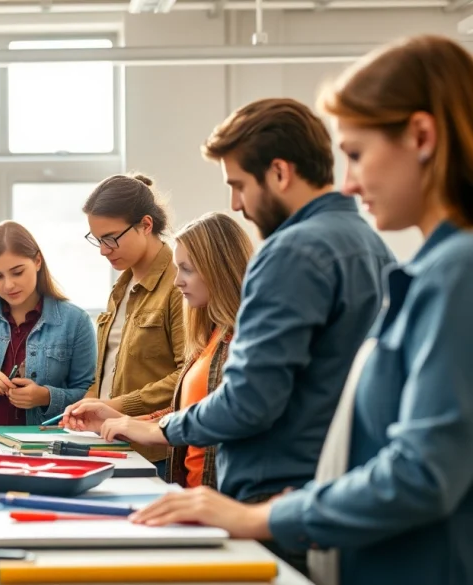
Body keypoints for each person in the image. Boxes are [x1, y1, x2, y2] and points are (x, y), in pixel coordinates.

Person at [123, 34, 473, 585]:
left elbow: (423, 470)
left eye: (356, 154)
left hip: (353, 530)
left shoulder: (450, 270)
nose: (351, 181)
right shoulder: (386, 250)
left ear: (422, 136)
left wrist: (259, 514)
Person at [63, 97, 395, 574]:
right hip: (321, 491)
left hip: (271, 494)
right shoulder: (369, 244)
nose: (237, 204)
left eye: (238, 185)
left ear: (279, 173)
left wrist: (161, 429)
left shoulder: (292, 251)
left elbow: (248, 400)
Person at [72, 173, 186, 475]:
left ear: (146, 225)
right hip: (110, 443)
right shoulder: (120, 288)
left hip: (155, 452)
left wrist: (121, 407)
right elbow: (108, 368)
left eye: (110, 238)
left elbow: (187, 374)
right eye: (97, 240)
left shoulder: (180, 283)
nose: (103, 250)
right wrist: (88, 403)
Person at [0, 221, 96, 432]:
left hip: (45, 445)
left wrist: (46, 397)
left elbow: (90, 396)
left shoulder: (75, 321)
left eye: (17, 272)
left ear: (38, 261)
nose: (8, 285)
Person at [137, 212, 253, 488]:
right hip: (191, 493)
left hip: (219, 499)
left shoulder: (243, 339)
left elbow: (226, 418)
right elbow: (189, 411)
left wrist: (139, 428)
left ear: (218, 269)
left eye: (187, 269)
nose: (177, 281)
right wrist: (124, 421)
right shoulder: (211, 336)